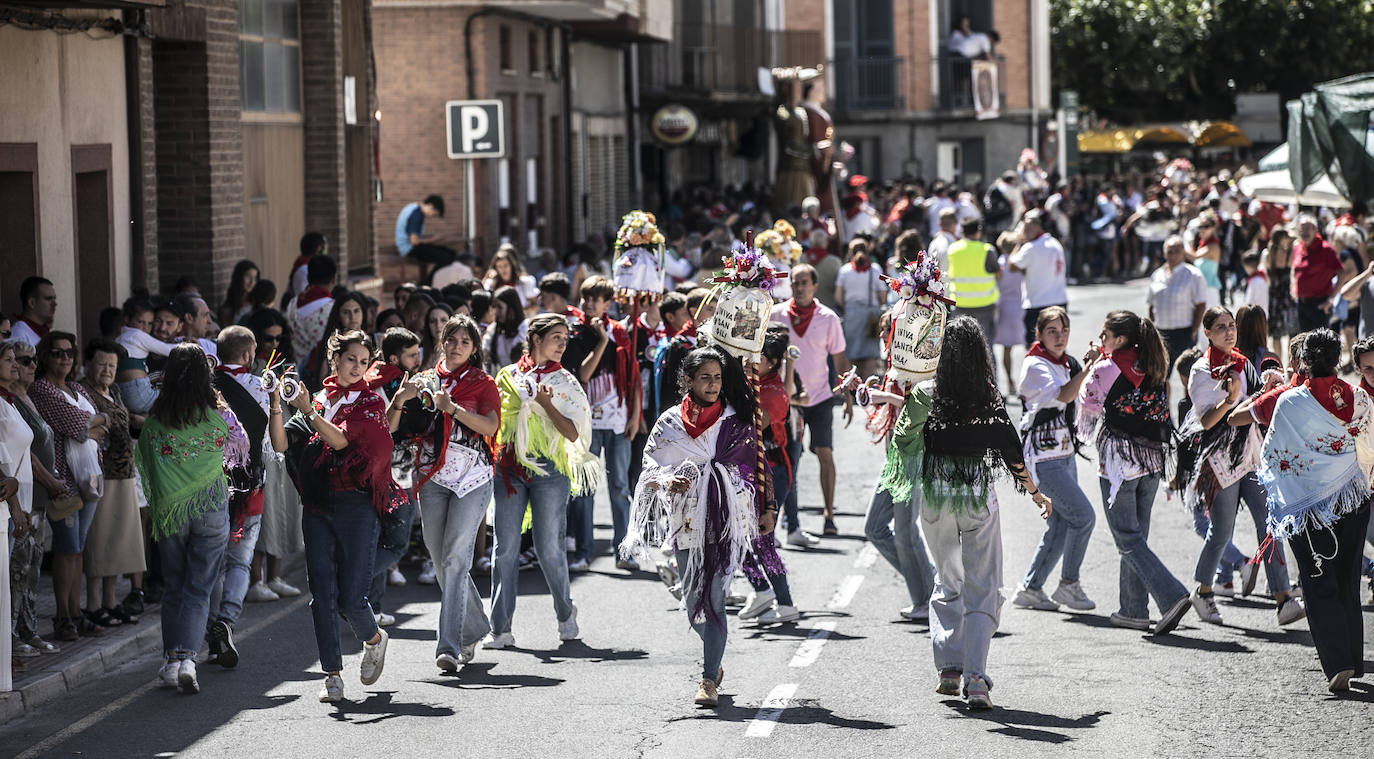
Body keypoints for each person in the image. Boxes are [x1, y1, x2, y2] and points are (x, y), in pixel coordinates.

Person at [878, 317, 1052, 710]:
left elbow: (902, 439)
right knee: (983, 586)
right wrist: (1035, 494)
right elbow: (1010, 449)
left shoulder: (925, 393)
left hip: (936, 501)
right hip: (976, 499)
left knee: (948, 580)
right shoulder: (987, 398)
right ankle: (975, 677)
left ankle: (949, 668)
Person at [623, 345, 768, 707]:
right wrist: (670, 478)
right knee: (693, 604)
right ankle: (714, 658)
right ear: (688, 380)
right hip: (685, 521)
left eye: (718, 377)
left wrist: (765, 506)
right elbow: (650, 466)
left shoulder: (735, 419)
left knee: (716, 600)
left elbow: (752, 467)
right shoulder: (670, 422)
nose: (713, 384)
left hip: (723, 521)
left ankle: (708, 678)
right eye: (705, 377)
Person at [271, 330, 401, 703]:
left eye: (363, 362)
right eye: (350, 360)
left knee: (351, 599)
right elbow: (281, 444)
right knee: (322, 596)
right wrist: (277, 403)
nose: (357, 368)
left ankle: (374, 639)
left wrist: (308, 410)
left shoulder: (371, 402)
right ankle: (332, 676)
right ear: (335, 360)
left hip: (358, 506)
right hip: (317, 506)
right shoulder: (320, 398)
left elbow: (340, 441)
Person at [1258, 329, 1372, 693]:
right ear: (1339, 359)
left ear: (1303, 361)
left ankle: (1338, 664)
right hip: (1354, 499)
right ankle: (1354, 658)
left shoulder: (1290, 402)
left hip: (1309, 508)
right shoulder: (1359, 398)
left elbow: (1272, 456)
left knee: (1318, 580)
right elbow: (1368, 449)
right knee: (1348, 580)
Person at [1178, 306, 1302, 627]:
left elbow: (1252, 407)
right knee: (1221, 530)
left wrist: (1266, 391)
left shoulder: (1243, 363)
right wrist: (1231, 400)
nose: (1229, 332)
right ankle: (1204, 591)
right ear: (1207, 332)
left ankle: (1283, 597)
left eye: (1231, 326)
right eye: (1220, 327)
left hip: (1249, 453)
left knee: (1270, 523)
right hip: (1219, 458)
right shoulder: (1201, 371)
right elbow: (1207, 422)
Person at [134, 344, 245, 695]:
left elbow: (147, 457)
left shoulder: (157, 416)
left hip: (170, 512)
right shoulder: (219, 413)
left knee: (174, 587)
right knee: (199, 587)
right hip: (211, 505)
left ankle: (171, 661)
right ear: (205, 374)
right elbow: (239, 444)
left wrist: (168, 491)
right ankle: (187, 660)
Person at [486, 313, 598, 650]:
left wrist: (546, 403)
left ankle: (565, 613)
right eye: (556, 337)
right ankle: (500, 629)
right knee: (504, 548)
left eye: (566, 338)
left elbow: (573, 432)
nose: (563, 344)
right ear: (536, 339)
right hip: (508, 467)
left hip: (550, 469)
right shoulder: (507, 376)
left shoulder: (566, 382)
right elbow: (494, 421)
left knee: (549, 547)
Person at [1076, 311, 1192, 634]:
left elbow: (1085, 413)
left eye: (1105, 335)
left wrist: (1090, 367)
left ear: (1120, 339)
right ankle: (1133, 609)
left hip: (1119, 463)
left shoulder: (1105, 368)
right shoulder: (1153, 362)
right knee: (1137, 537)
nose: (1101, 341)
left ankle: (1170, 596)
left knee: (1127, 539)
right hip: (1152, 460)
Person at [407, 316, 500, 671]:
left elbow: (491, 427)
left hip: (473, 478)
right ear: (441, 342)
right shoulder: (426, 380)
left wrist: (454, 409)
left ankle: (449, 646)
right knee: (439, 557)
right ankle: (474, 627)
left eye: (465, 341)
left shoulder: (483, 383)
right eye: (451, 339)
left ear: (475, 348)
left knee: (457, 558)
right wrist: (403, 398)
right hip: (433, 476)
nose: (457, 345)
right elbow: (402, 424)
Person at [1011, 308, 1098, 613]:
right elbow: (1064, 395)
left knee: (1061, 524)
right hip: (1043, 458)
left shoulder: (1064, 362)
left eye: (1064, 330)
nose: (1059, 337)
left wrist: (1089, 364)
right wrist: (1088, 367)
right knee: (1084, 517)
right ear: (1038, 334)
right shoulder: (1036, 364)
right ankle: (1069, 585)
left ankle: (1031, 589)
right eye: (1052, 331)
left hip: (1064, 453)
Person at [30, 331, 108, 640]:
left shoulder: (77, 388)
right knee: (67, 547)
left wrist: (94, 422)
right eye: (57, 353)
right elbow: (77, 425)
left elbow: (107, 421)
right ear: (44, 358)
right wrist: (93, 423)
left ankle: (76, 613)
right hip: (63, 480)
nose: (64, 358)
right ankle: (63, 617)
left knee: (78, 549)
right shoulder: (41, 389)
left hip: (90, 477)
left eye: (68, 353)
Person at [770, 263, 853, 537]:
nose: (800, 287)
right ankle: (789, 519)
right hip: (787, 401)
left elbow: (839, 360)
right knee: (789, 460)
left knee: (825, 453)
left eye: (804, 282)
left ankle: (829, 515)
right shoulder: (776, 315)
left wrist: (847, 394)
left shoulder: (828, 318)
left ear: (815, 285)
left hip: (820, 398)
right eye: (795, 282)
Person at [205, 326, 271, 668]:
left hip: (212, 485)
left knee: (213, 559)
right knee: (240, 558)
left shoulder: (205, 387)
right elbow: (267, 445)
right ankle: (226, 620)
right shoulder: (260, 387)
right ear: (247, 354)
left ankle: (210, 625)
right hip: (250, 487)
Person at [567, 276, 639, 572]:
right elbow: (583, 375)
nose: (591, 303)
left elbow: (633, 376)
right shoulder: (575, 332)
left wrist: (636, 417)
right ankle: (584, 551)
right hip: (586, 422)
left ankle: (624, 550)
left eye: (597, 299)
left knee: (620, 486)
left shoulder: (621, 332)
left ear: (609, 303)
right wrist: (600, 341)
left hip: (619, 420)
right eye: (587, 298)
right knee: (585, 489)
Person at [3, 339, 63, 655]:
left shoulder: (20, 399)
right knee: (17, 568)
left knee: (32, 566)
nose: (28, 366)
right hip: (22, 495)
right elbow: (25, 455)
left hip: (33, 495)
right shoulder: (9, 402)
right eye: (21, 360)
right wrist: (51, 480)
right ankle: (12, 634)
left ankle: (28, 629)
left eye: (30, 361)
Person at [79, 340, 144, 628]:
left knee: (118, 542)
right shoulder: (83, 392)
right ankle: (93, 605)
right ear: (89, 364)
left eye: (112, 366)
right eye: (102, 364)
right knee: (100, 540)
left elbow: (128, 420)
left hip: (125, 473)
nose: (107, 370)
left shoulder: (115, 390)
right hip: (100, 476)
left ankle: (110, 601)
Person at [738, 325, 800, 624]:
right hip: (747, 471)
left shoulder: (773, 392)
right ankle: (761, 589)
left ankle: (785, 602)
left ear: (773, 362)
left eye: (759, 355)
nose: (752, 359)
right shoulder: (752, 381)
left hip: (772, 472)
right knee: (734, 536)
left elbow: (748, 428)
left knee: (762, 540)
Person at [364, 327, 423, 625]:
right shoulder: (390, 383)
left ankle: (371, 608)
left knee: (380, 541)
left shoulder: (378, 376)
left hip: (390, 466)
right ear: (393, 357)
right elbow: (391, 428)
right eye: (411, 355)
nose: (417, 360)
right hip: (394, 468)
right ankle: (349, 589)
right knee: (397, 542)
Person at [0, 343, 35, 677]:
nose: (15, 366)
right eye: (8, 360)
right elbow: (2, 462)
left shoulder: (11, 402)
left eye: (16, 360)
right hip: (8, 506)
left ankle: (7, 647)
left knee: (15, 579)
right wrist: (15, 506)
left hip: (20, 502)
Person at [1009, 210, 1069, 346]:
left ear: (1038, 227)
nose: (1025, 231)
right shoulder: (1055, 243)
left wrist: (1019, 243)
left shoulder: (1030, 248)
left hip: (1038, 304)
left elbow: (1012, 265)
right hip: (1059, 301)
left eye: (1028, 228)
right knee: (1058, 346)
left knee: (1037, 348)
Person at [1147, 235, 1208, 364]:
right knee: (1161, 375)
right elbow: (1151, 305)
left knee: (1187, 374)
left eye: (1177, 251)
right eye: (1170, 251)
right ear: (1164, 253)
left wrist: (1193, 330)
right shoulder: (1157, 275)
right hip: (1162, 333)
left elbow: (1201, 305)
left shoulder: (1193, 274)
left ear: (1183, 253)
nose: (1173, 255)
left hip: (1184, 332)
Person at [946, 218, 1002, 359]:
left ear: (962, 231)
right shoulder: (987, 250)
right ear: (978, 231)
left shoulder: (953, 249)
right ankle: (991, 380)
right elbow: (999, 274)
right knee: (986, 348)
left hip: (960, 305)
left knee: (961, 348)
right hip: (985, 305)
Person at [833, 239, 887, 379]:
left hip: (851, 314)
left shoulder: (844, 271)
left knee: (852, 353)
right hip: (871, 315)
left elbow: (838, 296)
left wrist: (848, 308)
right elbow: (882, 295)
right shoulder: (875, 269)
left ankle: (852, 387)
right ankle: (866, 391)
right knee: (870, 354)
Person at [116, 298, 179, 415]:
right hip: (140, 392)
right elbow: (170, 350)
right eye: (140, 322)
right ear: (127, 319)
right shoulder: (137, 335)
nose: (145, 327)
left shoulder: (120, 338)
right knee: (180, 399)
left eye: (150, 323)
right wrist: (192, 345)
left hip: (124, 393)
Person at [1292, 214, 1342, 332]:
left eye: (1307, 229)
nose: (1304, 232)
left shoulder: (1326, 249)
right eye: (1301, 229)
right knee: (1303, 343)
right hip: (1301, 303)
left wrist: (1330, 300)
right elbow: (1294, 269)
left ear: (1315, 230)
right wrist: (1292, 288)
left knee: (1321, 344)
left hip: (1320, 305)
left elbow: (1342, 274)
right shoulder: (1297, 247)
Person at [286, 255, 338, 364]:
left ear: (308, 278)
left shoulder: (292, 304)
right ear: (333, 279)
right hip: (322, 372)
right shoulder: (334, 309)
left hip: (295, 373)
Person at [992, 230, 1026, 395]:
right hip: (1019, 306)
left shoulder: (998, 264)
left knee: (1006, 349)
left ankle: (1010, 381)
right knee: (1028, 344)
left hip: (1003, 307)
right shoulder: (1019, 264)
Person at [395, 194, 458, 277]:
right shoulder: (417, 214)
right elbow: (414, 241)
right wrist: (433, 239)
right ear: (431, 206)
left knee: (450, 253)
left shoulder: (413, 208)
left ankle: (429, 280)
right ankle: (428, 282)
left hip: (407, 247)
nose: (432, 216)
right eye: (434, 214)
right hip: (409, 249)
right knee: (447, 257)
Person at [483, 286, 528, 374]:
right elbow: (485, 353)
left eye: (500, 307)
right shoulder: (493, 329)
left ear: (512, 309)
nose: (495, 312)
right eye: (494, 307)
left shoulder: (526, 328)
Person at [483, 245, 540, 313]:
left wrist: (518, 313)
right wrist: (492, 283)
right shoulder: (491, 284)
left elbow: (535, 305)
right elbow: (486, 305)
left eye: (505, 265)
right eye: (499, 266)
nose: (503, 269)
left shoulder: (524, 283)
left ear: (511, 266)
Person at [11, 277, 56, 347]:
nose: (54, 304)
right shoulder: (19, 334)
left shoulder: (42, 332)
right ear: (32, 303)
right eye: (48, 299)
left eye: (54, 299)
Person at [288, 232, 329, 302]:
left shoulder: (307, 267)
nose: (326, 252)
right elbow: (304, 298)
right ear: (318, 248)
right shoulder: (305, 270)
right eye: (324, 248)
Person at [219, 260, 261, 328]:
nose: (252, 282)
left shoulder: (257, 303)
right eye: (248, 277)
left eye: (255, 278)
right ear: (239, 277)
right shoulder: (228, 308)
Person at [927, 208, 959, 273]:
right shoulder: (954, 245)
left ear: (939, 224)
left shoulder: (933, 243)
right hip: (951, 282)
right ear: (955, 224)